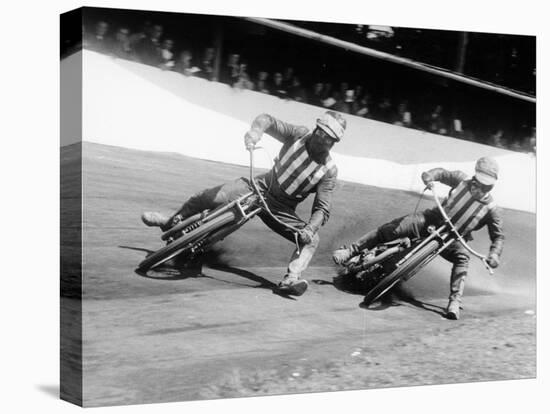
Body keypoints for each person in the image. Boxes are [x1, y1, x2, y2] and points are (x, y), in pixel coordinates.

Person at [142, 111, 346, 296]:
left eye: (330, 138)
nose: (323, 139)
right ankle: (170, 221)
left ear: (334, 143)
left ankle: (291, 278)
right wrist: (255, 133)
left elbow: (322, 208)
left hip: (281, 209)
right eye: (322, 132)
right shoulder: (299, 134)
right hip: (259, 185)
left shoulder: (329, 170)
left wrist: (310, 228)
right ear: (316, 128)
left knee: (312, 240)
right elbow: (267, 119)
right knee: (208, 197)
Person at [332, 157, 504, 319]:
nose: (480, 189)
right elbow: (442, 173)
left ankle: (455, 301)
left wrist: (494, 254)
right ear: (474, 177)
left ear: (492, 187)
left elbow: (498, 236)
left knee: (463, 258)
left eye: (486, 187)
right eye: (478, 183)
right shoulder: (461, 179)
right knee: (392, 229)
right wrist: (430, 176)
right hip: (433, 218)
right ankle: (350, 251)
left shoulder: (492, 209)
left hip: (455, 237)